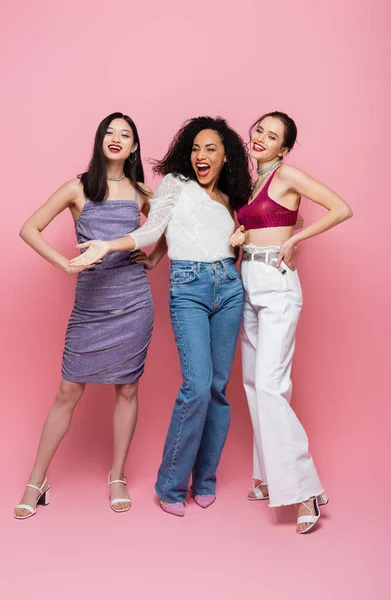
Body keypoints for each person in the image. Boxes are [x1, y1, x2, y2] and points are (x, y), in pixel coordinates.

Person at [69, 116, 252, 517]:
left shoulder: (229, 198)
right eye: (196, 148)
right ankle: (170, 486)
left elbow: (274, 222)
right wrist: (110, 246)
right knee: (198, 386)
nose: (201, 156)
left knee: (219, 390)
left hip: (229, 285)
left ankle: (204, 480)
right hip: (189, 289)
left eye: (211, 149)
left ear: (226, 157)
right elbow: (153, 229)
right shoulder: (175, 184)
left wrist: (248, 235)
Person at [14, 112, 154, 519]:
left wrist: (154, 256)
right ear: (100, 140)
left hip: (133, 301)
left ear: (134, 147)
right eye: (109, 132)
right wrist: (63, 263)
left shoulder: (142, 191)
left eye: (125, 134)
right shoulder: (77, 187)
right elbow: (29, 228)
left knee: (127, 388)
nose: (116, 138)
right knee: (67, 391)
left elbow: (165, 228)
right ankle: (36, 480)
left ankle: (117, 475)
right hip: (91, 303)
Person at [229, 111, 353, 533]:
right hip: (249, 283)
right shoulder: (252, 182)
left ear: (284, 148)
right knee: (251, 382)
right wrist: (242, 234)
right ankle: (268, 477)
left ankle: (305, 491)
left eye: (272, 135)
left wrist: (295, 241)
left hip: (278, 285)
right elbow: (279, 218)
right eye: (259, 129)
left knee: (269, 385)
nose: (261, 137)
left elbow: (340, 208)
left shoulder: (288, 174)